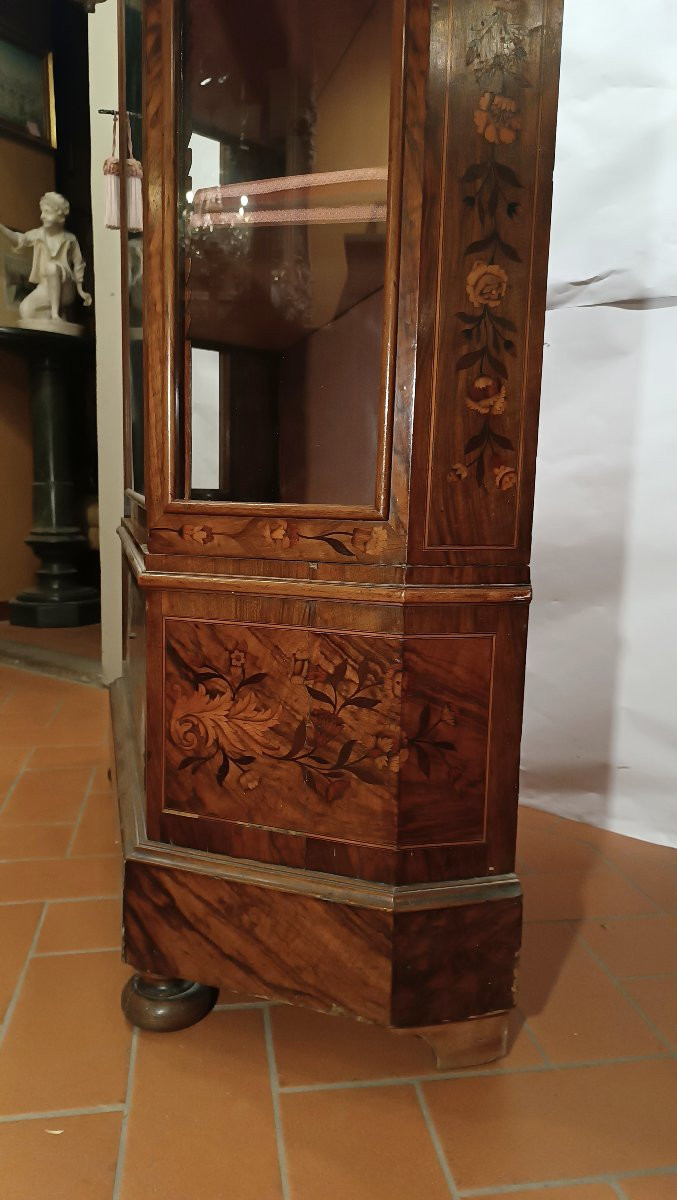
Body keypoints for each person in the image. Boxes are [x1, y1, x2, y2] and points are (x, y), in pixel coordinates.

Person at [0, 191, 92, 323]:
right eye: (42, 212)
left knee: (52, 268)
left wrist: (81, 290)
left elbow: (79, 264)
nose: (42, 216)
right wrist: (1, 228)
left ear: (60, 215)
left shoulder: (70, 239)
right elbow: (20, 239)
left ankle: (56, 315)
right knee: (25, 310)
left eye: (47, 212)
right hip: (45, 287)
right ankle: (54, 317)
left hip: (65, 288)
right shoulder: (38, 234)